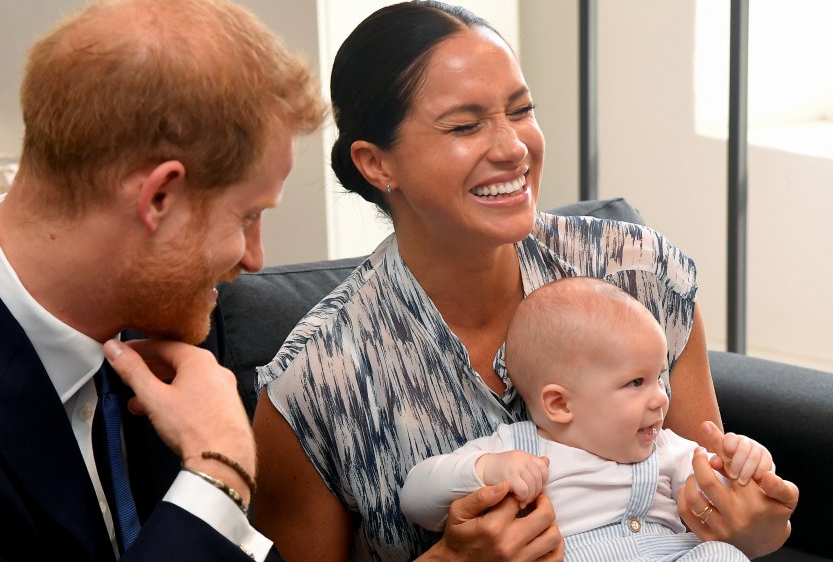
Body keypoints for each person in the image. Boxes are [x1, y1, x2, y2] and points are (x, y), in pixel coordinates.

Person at [250, 2, 798, 561]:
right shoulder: (315, 386)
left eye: (521, 110)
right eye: (464, 125)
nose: (513, 148)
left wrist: (751, 526)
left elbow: (719, 512)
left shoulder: (639, 274)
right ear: (376, 164)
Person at [0, 0, 324, 560]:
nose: (256, 258)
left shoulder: (166, 315)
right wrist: (216, 475)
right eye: (247, 217)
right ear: (159, 197)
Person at [400, 276, 778, 561]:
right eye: (636, 382)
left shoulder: (667, 449)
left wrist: (744, 462)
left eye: (659, 377)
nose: (661, 397)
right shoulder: (514, 449)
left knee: (722, 555)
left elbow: (724, 494)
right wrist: (485, 470)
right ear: (560, 405)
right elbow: (416, 497)